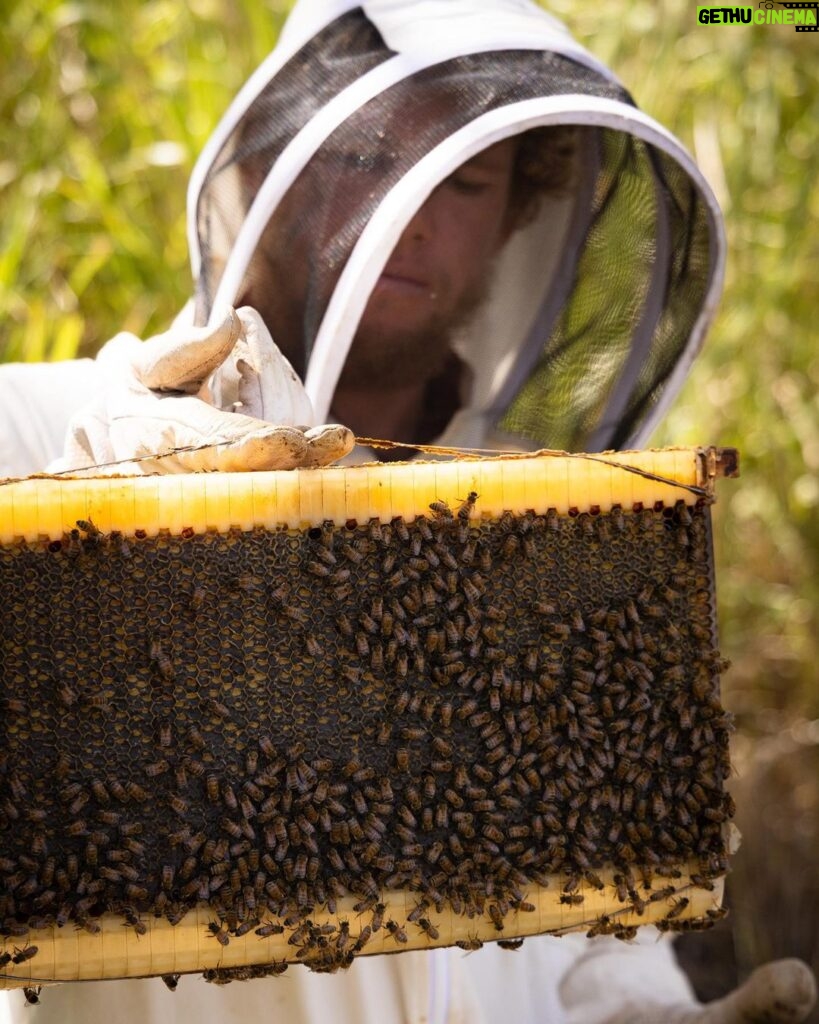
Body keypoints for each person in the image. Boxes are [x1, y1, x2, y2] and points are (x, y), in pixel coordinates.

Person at [0, 2, 816, 1023]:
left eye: (462, 177)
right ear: (266, 173)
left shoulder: (546, 538)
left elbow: (588, 935)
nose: (410, 205)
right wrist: (72, 541)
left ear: (520, 215)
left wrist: (638, 1008)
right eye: (365, 155)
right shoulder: (41, 427)